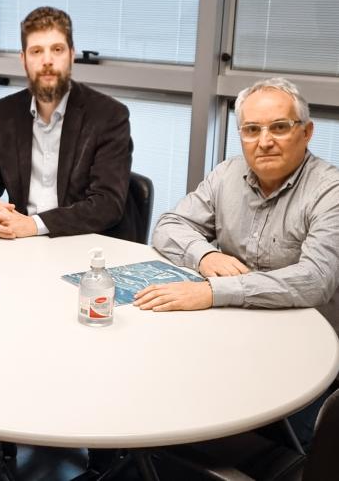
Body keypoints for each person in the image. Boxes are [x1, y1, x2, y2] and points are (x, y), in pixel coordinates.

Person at [137, 76, 339, 445]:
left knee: (221, 429)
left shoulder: (330, 191)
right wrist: (206, 254)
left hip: (301, 351)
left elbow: (316, 279)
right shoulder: (226, 174)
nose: (264, 141)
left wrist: (214, 291)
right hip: (228, 333)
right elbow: (168, 225)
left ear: (307, 132)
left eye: (279, 127)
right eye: (251, 129)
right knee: (151, 386)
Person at [0, 6, 136, 240]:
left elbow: (107, 204)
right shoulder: (4, 113)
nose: (47, 61)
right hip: (22, 245)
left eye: (57, 49)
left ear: (72, 55)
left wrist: (34, 225)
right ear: (23, 60)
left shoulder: (109, 116)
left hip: (83, 245)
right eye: (36, 51)